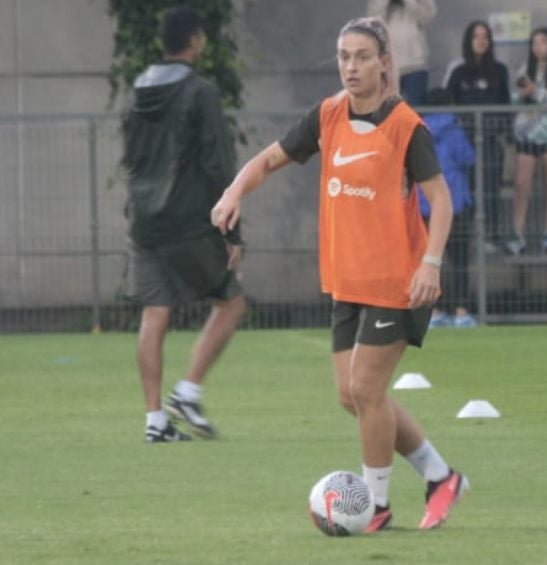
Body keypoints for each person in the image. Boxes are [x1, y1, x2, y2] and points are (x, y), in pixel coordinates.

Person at [211, 17, 468, 533]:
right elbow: (269, 159)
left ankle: (374, 504)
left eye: (362, 56)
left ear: (384, 64)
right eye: (343, 56)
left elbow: (440, 200)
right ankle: (440, 476)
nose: (351, 66)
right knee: (351, 395)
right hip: (348, 281)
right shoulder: (327, 116)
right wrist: (234, 192)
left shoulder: (405, 126)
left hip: (399, 282)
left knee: (368, 390)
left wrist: (431, 263)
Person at [121, 6, 246, 444]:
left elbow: (131, 157)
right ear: (195, 41)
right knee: (230, 303)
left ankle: (155, 421)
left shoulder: (139, 88)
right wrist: (231, 231)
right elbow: (217, 161)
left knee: (154, 314)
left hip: (146, 222)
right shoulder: (200, 92)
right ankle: (188, 392)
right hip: (188, 220)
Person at [444, 20, 511, 247]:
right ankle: (466, 236)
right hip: (465, 142)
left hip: (491, 141)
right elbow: (447, 103)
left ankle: (492, 236)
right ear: (468, 41)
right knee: (467, 189)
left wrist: (500, 129)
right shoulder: (458, 70)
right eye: (476, 36)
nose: (481, 41)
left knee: (492, 188)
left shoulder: (500, 70)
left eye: (485, 37)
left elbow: (506, 105)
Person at [418, 88, 478, 328]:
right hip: (456, 203)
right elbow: (468, 158)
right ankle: (462, 312)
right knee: (461, 261)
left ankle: (433, 312)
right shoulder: (453, 128)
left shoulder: (419, 130)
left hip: (425, 205)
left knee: (431, 261)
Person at [508, 27, 547, 255]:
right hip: (526, 134)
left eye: (543, 41)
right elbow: (515, 100)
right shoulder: (525, 69)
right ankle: (517, 236)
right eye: (534, 42)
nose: (538, 46)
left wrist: (536, 92)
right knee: (521, 184)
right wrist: (522, 95)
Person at [368, 0, 436, 106]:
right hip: (386, 64)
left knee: (415, 111)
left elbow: (427, 18)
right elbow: (372, 21)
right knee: (385, 110)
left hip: (415, 64)